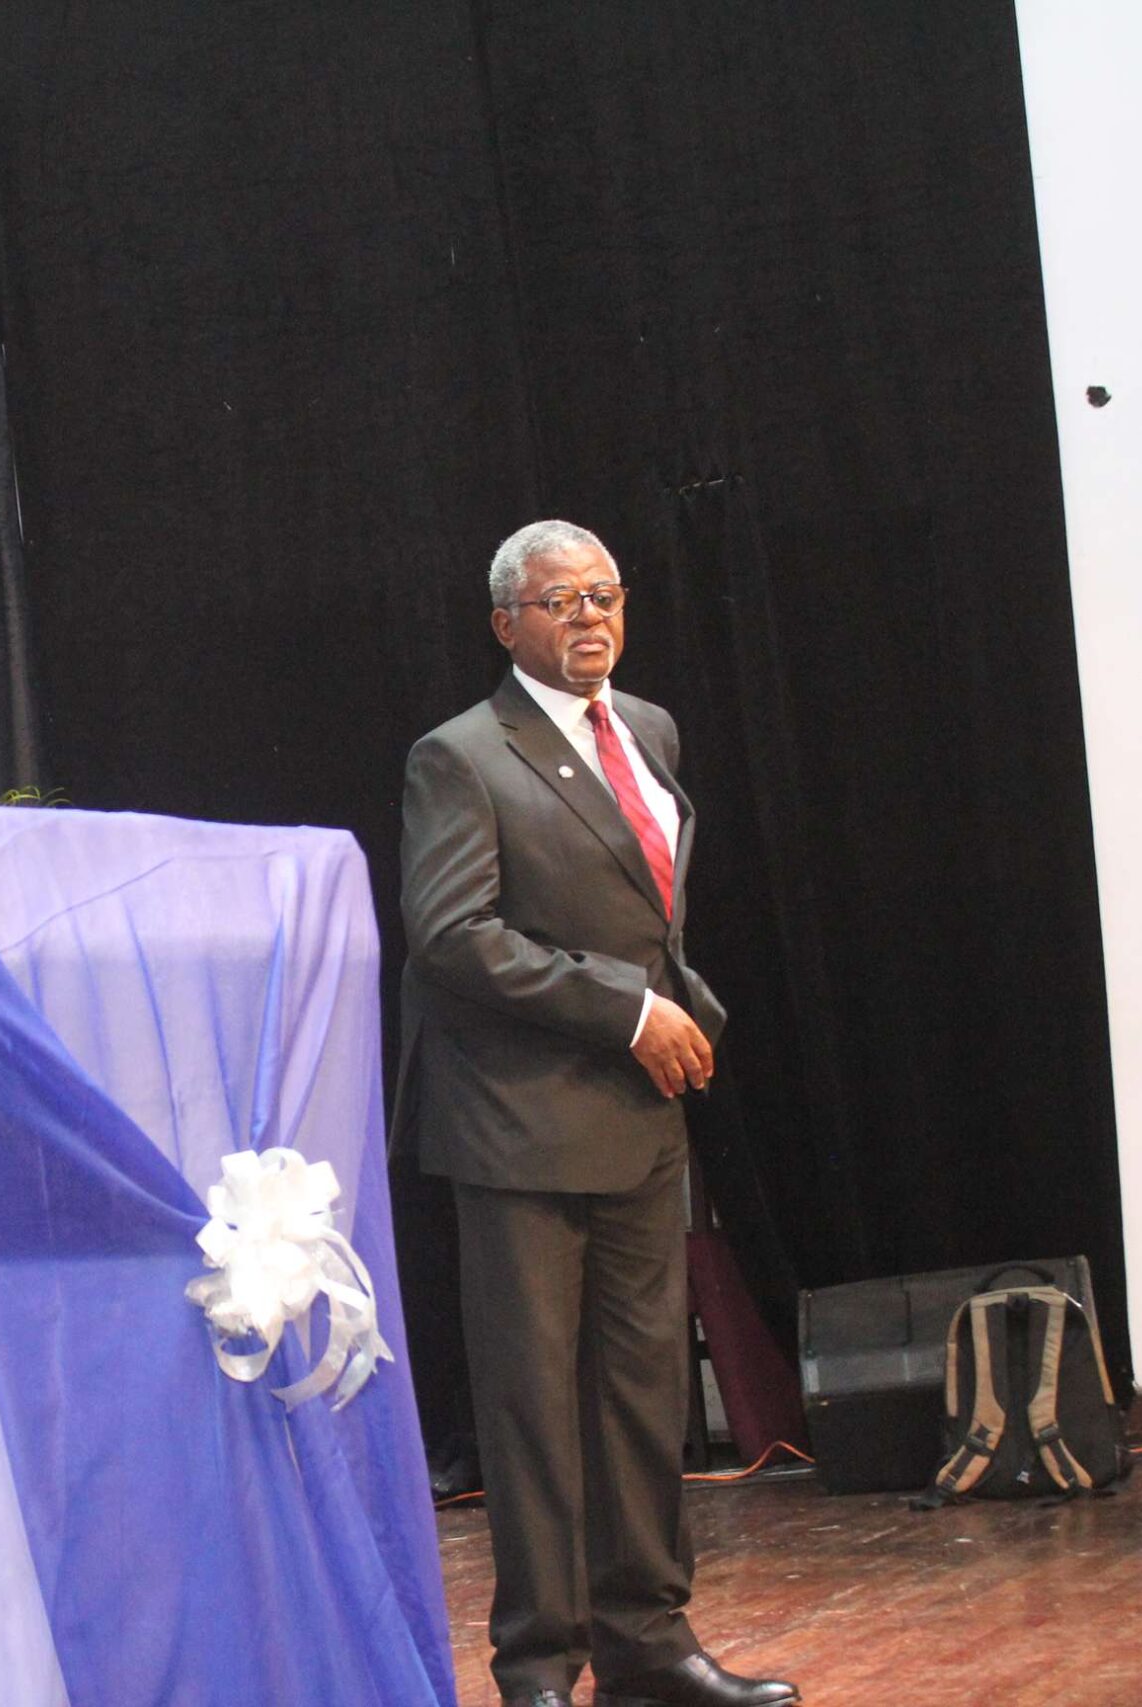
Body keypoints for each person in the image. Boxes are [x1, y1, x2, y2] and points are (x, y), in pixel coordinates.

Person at [396, 520, 798, 1707]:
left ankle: (647, 1643)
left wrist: (679, 1009)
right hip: (518, 1127)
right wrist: (626, 1012)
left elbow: (648, 912)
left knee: (642, 1397)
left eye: (605, 596)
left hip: (637, 1118)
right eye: (560, 600)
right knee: (532, 1409)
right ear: (504, 624)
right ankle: (536, 1664)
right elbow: (452, 936)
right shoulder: (461, 756)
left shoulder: (650, 730)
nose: (589, 617)